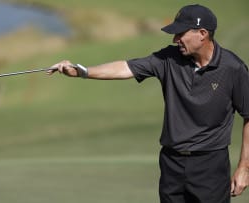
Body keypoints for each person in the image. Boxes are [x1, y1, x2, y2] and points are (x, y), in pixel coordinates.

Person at [47, 4, 249, 203]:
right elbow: (125, 68)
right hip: (172, 164)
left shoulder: (233, 68)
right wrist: (81, 71)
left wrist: (244, 168)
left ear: (202, 33)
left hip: (210, 165)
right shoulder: (168, 58)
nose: (175, 39)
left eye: (180, 33)